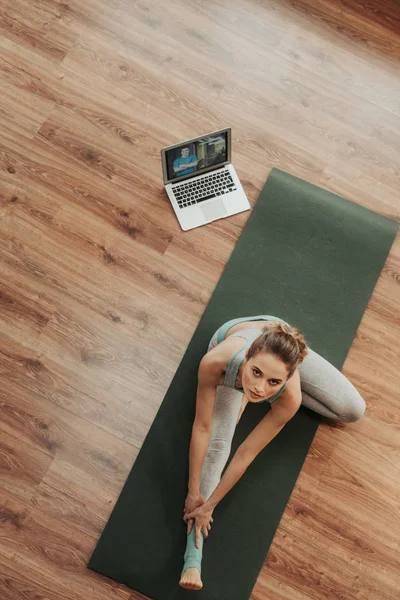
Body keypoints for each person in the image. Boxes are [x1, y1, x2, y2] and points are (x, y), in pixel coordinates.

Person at [179, 315, 366, 591]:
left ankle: (273, 383)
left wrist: (212, 506)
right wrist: (195, 494)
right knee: (220, 443)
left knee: (353, 410)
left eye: (274, 382)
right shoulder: (216, 363)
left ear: (290, 377)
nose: (260, 388)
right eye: (256, 373)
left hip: (282, 338)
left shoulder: (290, 394)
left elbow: (246, 453)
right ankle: (193, 557)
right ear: (248, 360)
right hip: (238, 346)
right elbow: (203, 427)